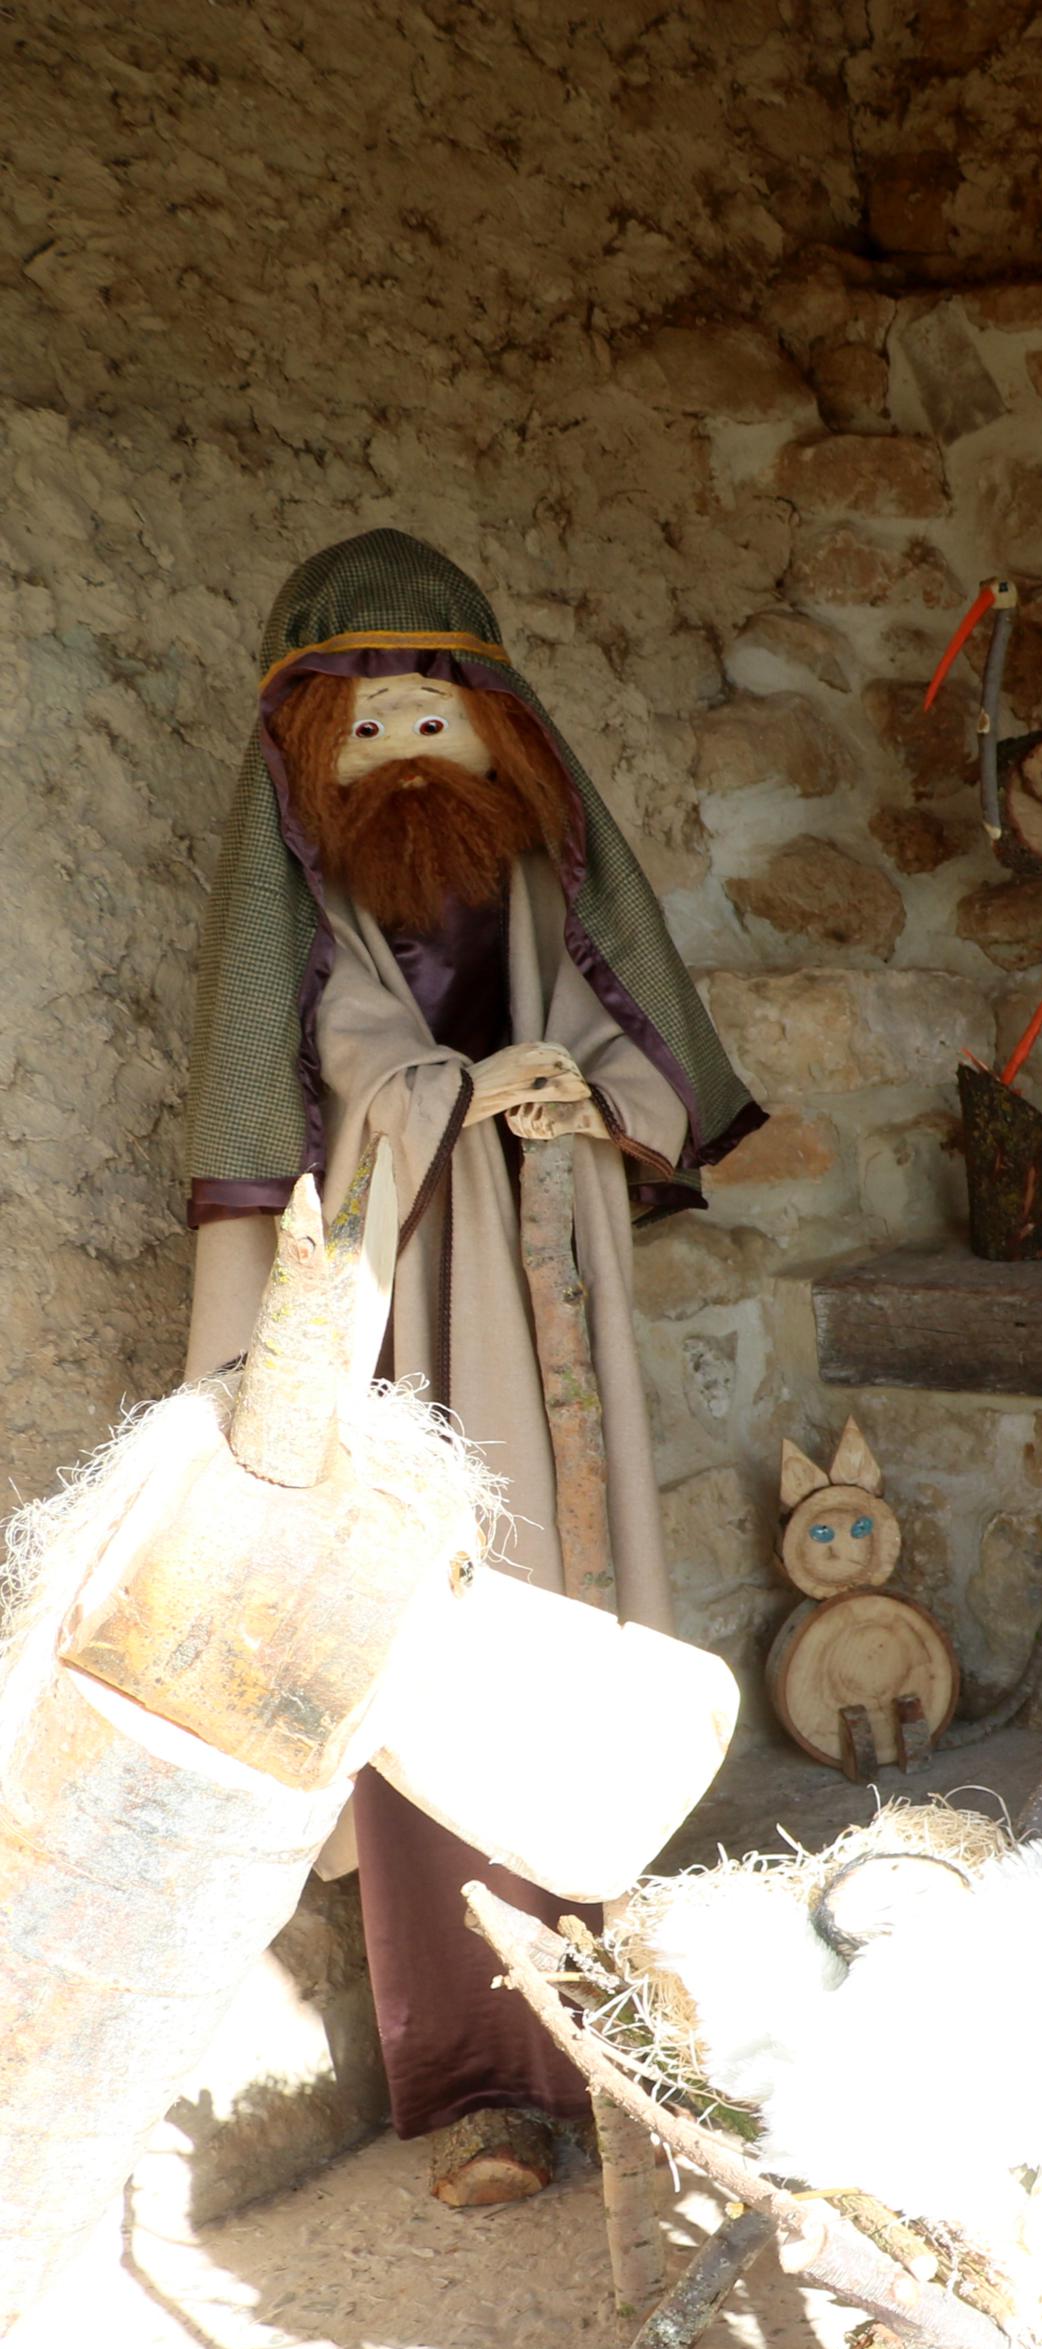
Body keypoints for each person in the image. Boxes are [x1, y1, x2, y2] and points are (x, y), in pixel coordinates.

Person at [177, 529, 758, 2208]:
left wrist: (578, 1103)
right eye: (370, 729)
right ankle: (480, 2078)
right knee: (430, 1640)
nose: (408, 755)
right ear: (309, 756)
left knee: (591, 1623)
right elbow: (335, 1058)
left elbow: (611, 1027)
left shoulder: (536, 881)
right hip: (408, 1287)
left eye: (434, 720)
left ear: (497, 730)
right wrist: (449, 1098)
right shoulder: (311, 912)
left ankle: (621, 2016)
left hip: (551, 1263)